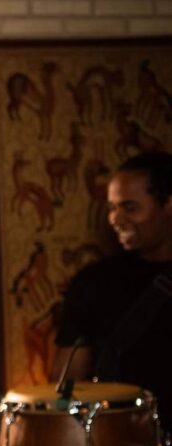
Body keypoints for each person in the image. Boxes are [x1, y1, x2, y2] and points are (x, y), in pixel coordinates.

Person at [52, 152, 172, 429]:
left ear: (167, 204)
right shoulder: (92, 283)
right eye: (112, 208)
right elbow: (66, 384)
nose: (115, 219)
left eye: (130, 207)